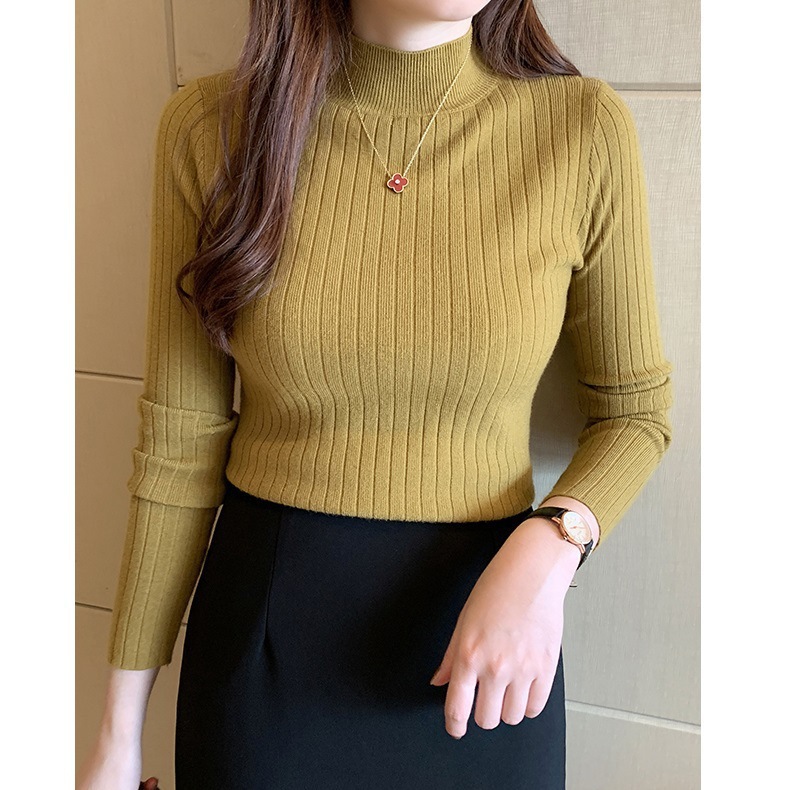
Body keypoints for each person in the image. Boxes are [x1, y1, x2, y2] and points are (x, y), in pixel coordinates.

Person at [77, 1, 674, 788]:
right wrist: (117, 739)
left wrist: (552, 545)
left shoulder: (582, 129)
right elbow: (178, 446)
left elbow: (634, 413)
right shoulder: (211, 130)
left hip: (492, 652)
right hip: (270, 652)